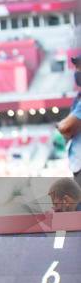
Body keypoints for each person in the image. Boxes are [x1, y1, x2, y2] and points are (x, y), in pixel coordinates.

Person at [57, 55, 81, 186]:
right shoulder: (78, 99)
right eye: (76, 67)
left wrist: (60, 125)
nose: (77, 71)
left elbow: (66, 128)